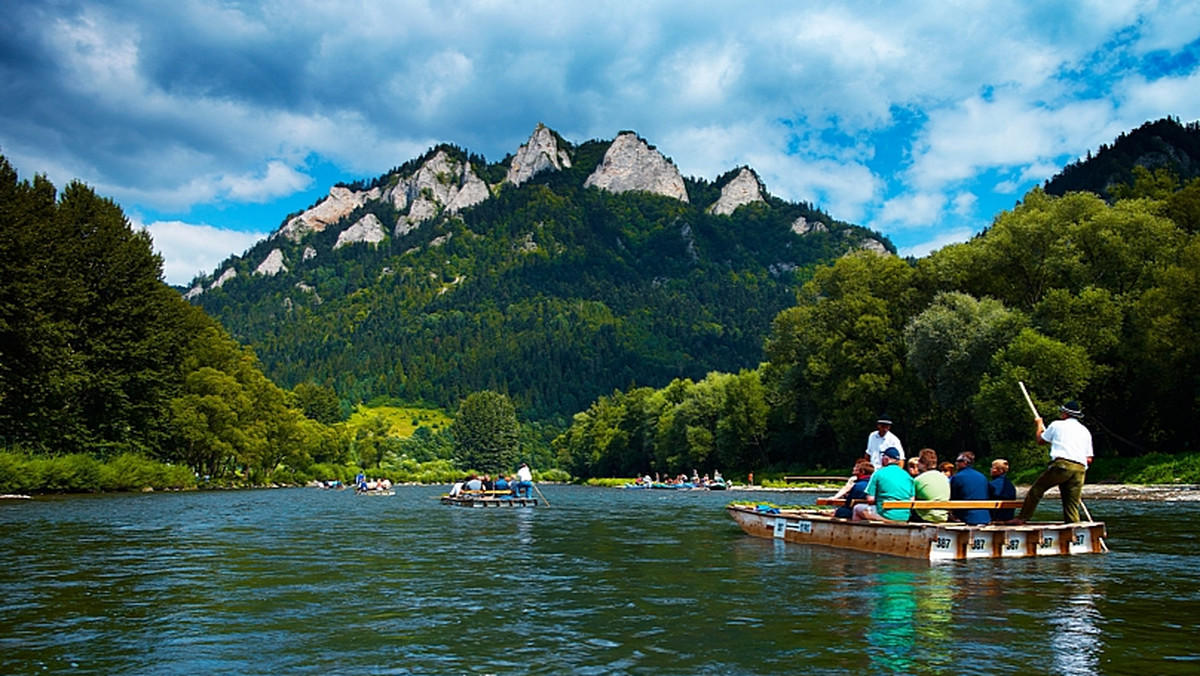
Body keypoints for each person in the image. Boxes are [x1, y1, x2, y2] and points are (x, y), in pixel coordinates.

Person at [1011, 401, 1094, 524]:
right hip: (1080, 468)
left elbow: (1040, 440)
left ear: (1065, 414)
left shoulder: (1057, 425)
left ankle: (1022, 518)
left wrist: (1039, 424)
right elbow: (1089, 458)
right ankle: (1073, 525)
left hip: (1062, 465)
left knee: (1037, 490)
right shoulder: (1085, 431)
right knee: (1071, 501)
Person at [852, 448, 914, 522]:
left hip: (885, 514)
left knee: (857, 508)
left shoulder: (878, 474)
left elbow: (870, 499)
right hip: (904, 516)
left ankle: (859, 532)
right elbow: (911, 499)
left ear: (886, 459)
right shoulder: (907, 476)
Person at [949, 452, 990, 524]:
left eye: (958, 461)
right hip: (985, 517)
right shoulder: (982, 477)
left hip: (966, 517)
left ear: (965, 462)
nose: (956, 463)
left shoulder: (958, 477)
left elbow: (953, 497)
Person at [912, 448, 950, 523]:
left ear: (923, 464)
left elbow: (911, 499)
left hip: (926, 518)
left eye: (919, 461)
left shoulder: (918, 480)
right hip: (943, 517)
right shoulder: (944, 478)